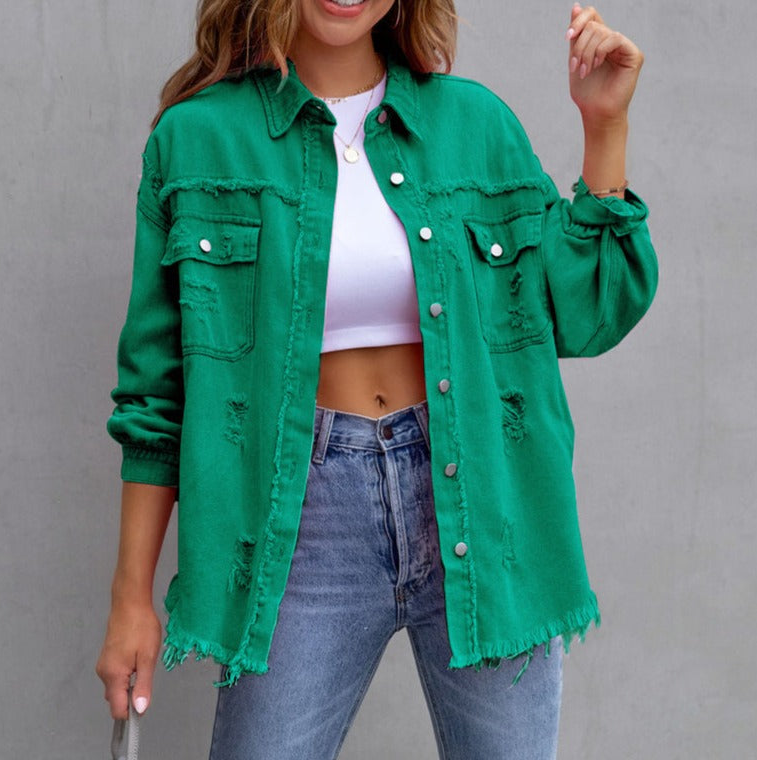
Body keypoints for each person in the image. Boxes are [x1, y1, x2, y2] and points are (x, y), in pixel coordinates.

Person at [96, 0, 657, 757]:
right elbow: (156, 397)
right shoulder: (198, 140)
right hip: (299, 516)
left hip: (482, 504)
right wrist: (131, 598)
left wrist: (604, 127)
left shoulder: (476, 124)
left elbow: (587, 315)